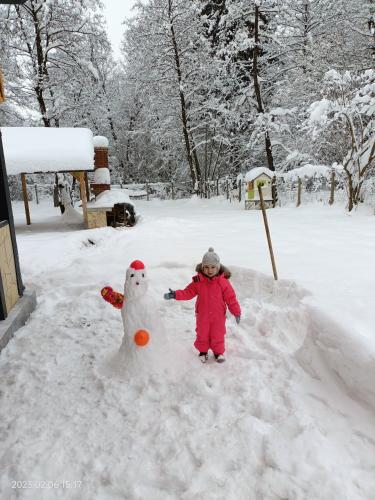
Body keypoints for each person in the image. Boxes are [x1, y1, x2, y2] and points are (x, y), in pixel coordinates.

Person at [164, 248, 241, 363]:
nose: (209, 270)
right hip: (202, 315)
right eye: (206, 267)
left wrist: (236, 311)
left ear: (218, 267)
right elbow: (187, 292)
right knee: (202, 333)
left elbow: (231, 298)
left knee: (218, 333)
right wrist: (175, 294)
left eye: (213, 267)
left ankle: (218, 352)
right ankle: (203, 351)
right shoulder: (198, 281)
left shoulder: (223, 282)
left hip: (218, 316)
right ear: (202, 267)